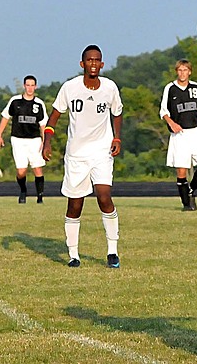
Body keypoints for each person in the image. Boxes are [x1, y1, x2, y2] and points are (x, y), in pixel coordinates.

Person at [42, 45, 123, 269]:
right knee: (75, 205)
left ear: (102, 64)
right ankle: (74, 255)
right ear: (82, 64)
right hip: (77, 155)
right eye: (89, 60)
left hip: (101, 152)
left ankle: (112, 251)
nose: (94, 64)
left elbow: (117, 113)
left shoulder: (109, 87)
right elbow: (54, 117)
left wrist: (117, 138)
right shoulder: (70, 88)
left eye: (97, 60)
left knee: (104, 196)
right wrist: (47, 141)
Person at [160, 59, 197, 211]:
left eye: (185, 70)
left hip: (196, 131)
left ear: (190, 72)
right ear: (176, 72)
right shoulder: (170, 88)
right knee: (181, 171)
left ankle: (190, 190)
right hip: (180, 134)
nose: (182, 73)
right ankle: (187, 204)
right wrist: (171, 123)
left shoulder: (195, 87)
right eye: (180, 70)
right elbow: (163, 111)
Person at [0, 75, 49, 204]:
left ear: (35, 87)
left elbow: (43, 124)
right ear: (24, 86)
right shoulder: (15, 101)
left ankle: (40, 197)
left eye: (32, 85)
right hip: (18, 139)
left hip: (34, 139)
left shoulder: (39, 103)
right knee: (21, 171)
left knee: (37, 168)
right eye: (28, 85)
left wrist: (45, 140)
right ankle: (23, 190)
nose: (30, 88)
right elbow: (5, 117)